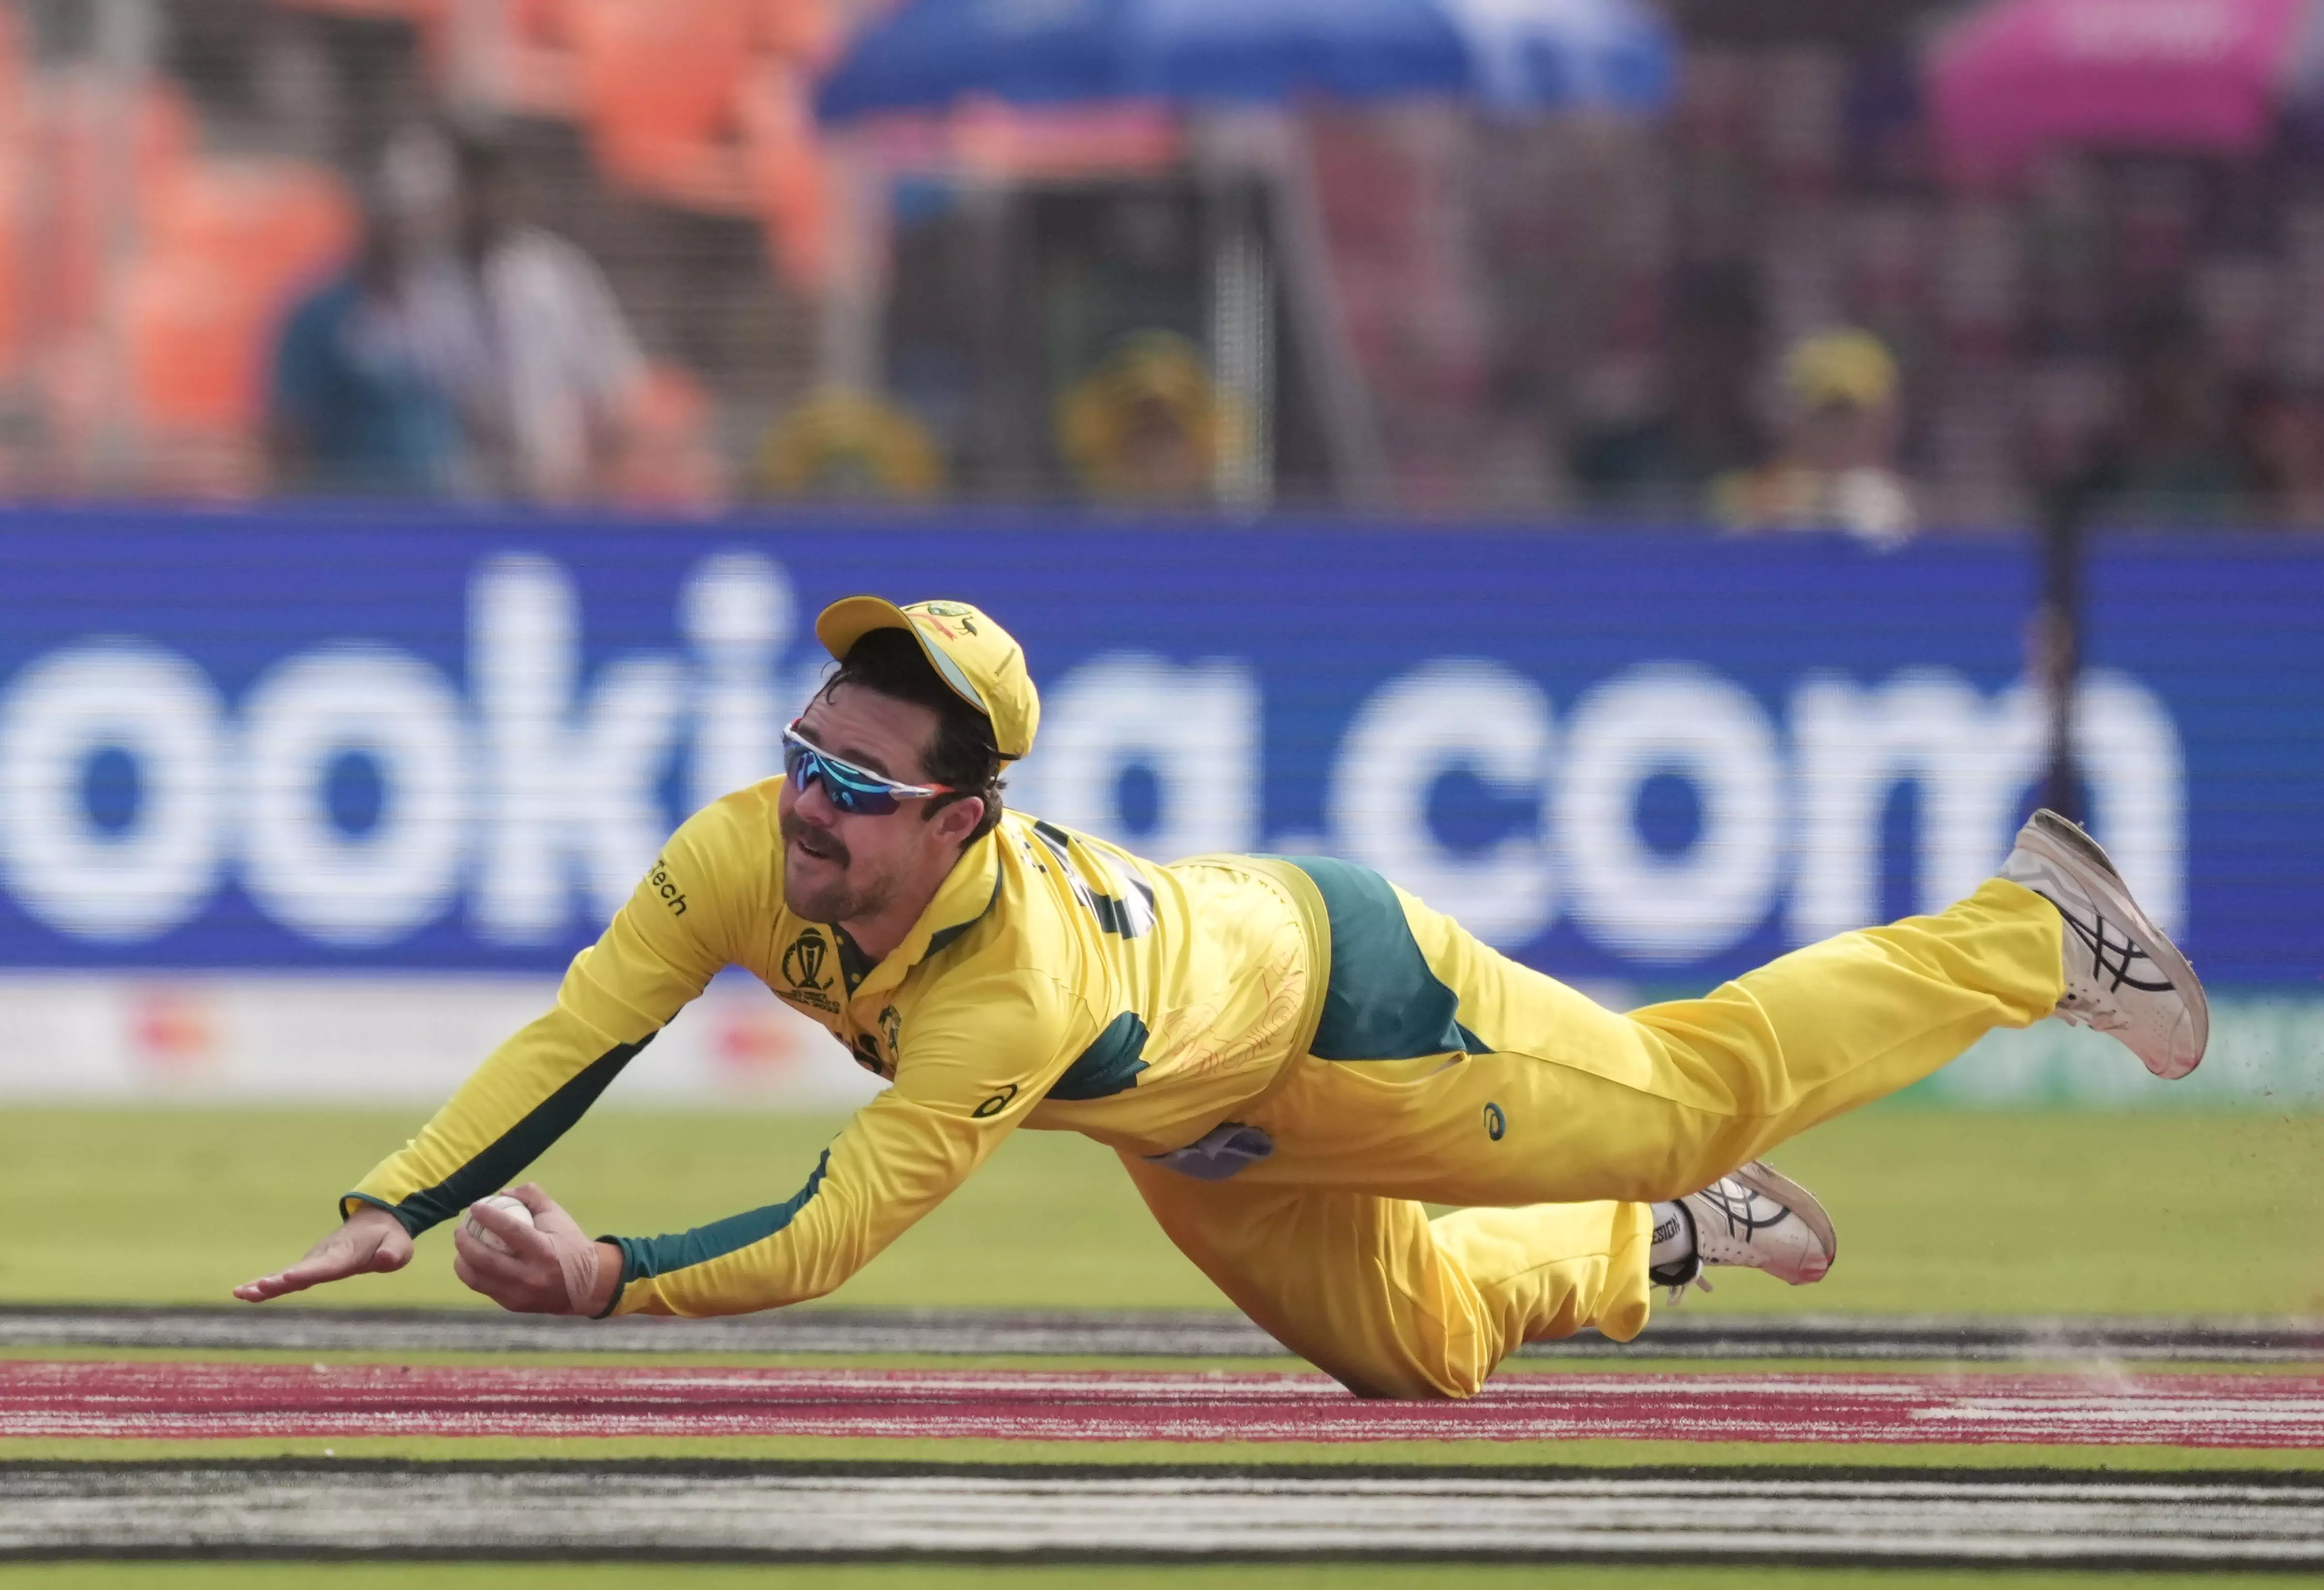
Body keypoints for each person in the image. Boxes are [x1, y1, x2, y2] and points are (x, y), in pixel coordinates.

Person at [235, 599, 2208, 1400]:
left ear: (963, 817)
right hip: (1203, 1124)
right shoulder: (747, 844)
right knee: (1423, 1360)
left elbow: (831, 1224)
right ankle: (1666, 1241)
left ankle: (2028, 930)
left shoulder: (1011, 988)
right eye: (804, 752)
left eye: (856, 788)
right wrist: (400, 1193)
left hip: (1358, 1005)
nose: (806, 808)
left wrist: (611, 1277)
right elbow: (585, 1024)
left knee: (1699, 1083)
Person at [1715, 328, 1916, 549]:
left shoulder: (1902, 506)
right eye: (1833, 412)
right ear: (1794, 417)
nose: (1849, 429)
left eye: (1862, 414)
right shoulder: (1743, 500)